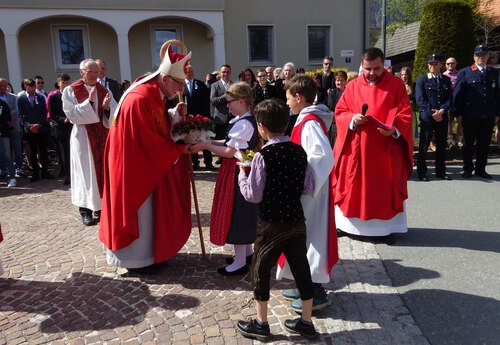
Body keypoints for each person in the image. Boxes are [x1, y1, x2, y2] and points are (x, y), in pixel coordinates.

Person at [99, 42, 192, 274]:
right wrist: (178, 149)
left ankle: (151, 254)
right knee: (140, 213)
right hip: (134, 167)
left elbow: (156, 124)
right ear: (166, 77)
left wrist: (173, 115)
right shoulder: (140, 98)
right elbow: (146, 141)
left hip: (143, 163)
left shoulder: (155, 92)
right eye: (178, 84)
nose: (179, 89)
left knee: (150, 213)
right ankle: (136, 260)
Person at [235, 99, 318, 341]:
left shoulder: (263, 155)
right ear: (286, 122)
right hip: (296, 221)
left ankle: (261, 324)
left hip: (272, 224)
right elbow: (308, 186)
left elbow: (254, 194)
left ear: (261, 127)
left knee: (260, 269)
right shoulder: (298, 150)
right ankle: (306, 321)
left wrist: (243, 175)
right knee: (302, 268)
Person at [333, 47, 413, 243]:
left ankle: (385, 229)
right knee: (353, 187)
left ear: (383, 65)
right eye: (368, 68)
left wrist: (394, 130)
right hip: (357, 150)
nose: (371, 73)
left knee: (383, 190)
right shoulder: (352, 86)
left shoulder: (396, 85)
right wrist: (353, 118)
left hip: (385, 150)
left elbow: (405, 114)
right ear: (362, 65)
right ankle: (347, 226)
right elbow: (340, 111)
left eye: (376, 69)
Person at [277, 74, 337, 313]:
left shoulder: (310, 123)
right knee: (297, 240)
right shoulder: (306, 119)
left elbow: (322, 157)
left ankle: (316, 293)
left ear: (299, 98)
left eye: (288, 98)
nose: (287, 103)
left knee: (308, 240)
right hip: (307, 193)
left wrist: (299, 182)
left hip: (310, 196)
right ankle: (302, 284)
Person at [191, 82, 259, 276]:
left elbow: (229, 152)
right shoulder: (242, 120)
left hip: (237, 172)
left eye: (230, 102)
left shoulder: (245, 123)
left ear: (242, 101)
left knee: (237, 213)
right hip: (237, 170)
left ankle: (240, 261)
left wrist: (205, 147)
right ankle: (246, 255)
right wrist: (209, 142)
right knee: (240, 212)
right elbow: (230, 143)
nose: (227, 106)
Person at [62, 59, 117, 226]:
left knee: (102, 173)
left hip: (102, 135)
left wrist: (107, 109)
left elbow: (114, 114)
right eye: (90, 72)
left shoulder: (104, 90)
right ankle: (85, 210)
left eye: (96, 72)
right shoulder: (70, 91)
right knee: (85, 174)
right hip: (83, 137)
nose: (94, 75)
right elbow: (71, 114)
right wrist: (90, 103)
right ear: (81, 72)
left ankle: (101, 209)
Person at [454, 45, 500, 179]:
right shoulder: (465, 72)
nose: (481, 57)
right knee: (468, 143)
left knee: (484, 143)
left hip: (488, 114)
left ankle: (481, 168)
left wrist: (497, 113)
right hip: (470, 115)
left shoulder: (493, 72)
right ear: (474, 57)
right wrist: (458, 113)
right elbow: (458, 94)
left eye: (484, 55)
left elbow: (498, 95)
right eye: (478, 55)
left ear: (487, 57)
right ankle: (468, 168)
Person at [415, 55, 453, 181]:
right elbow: (420, 99)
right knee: (424, 145)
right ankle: (422, 172)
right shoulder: (422, 79)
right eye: (430, 64)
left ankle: (441, 171)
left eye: (435, 64)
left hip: (441, 117)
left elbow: (449, 99)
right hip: (427, 117)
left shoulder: (446, 80)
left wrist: (442, 110)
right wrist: (433, 113)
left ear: (441, 65)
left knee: (441, 145)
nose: (433, 66)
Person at [18, 78, 54, 182]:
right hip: (30, 131)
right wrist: (29, 126)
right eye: (31, 86)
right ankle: (35, 173)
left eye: (34, 86)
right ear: (26, 86)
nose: (34, 88)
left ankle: (45, 172)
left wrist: (39, 124)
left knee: (43, 150)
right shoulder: (21, 99)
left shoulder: (40, 97)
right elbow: (21, 116)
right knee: (33, 152)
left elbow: (44, 113)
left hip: (41, 128)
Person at [47, 73, 72, 184]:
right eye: (63, 83)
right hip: (61, 128)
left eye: (67, 83)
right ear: (58, 84)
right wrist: (63, 120)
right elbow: (52, 114)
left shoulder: (72, 95)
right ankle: (68, 175)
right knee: (64, 153)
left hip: (73, 126)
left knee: (73, 151)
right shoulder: (53, 97)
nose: (66, 85)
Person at [0, 78, 23, 178]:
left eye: (5, 85)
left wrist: (7, 118)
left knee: (17, 148)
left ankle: (19, 168)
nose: (3, 87)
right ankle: (4, 169)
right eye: (1, 85)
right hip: (2, 128)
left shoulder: (14, 97)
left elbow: (16, 110)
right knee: (4, 150)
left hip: (14, 126)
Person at [210, 64, 233, 141]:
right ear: (220, 73)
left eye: (228, 72)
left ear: (230, 73)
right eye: (223, 72)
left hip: (233, 117)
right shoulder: (215, 85)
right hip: (220, 119)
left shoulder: (234, 85)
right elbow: (213, 100)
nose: (226, 74)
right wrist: (226, 96)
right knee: (220, 142)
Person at [443, 57, 462, 148]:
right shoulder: (443, 75)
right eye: (448, 63)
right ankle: (450, 140)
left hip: (458, 101)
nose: (450, 65)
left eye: (452, 63)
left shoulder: (460, 75)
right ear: (445, 65)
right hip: (448, 102)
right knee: (448, 122)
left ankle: (459, 140)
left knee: (460, 121)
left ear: (456, 63)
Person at [327, 70, 348, 145]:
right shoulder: (332, 93)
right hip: (335, 122)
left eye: (342, 80)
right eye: (337, 80)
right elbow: (331, 107)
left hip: (348, 121)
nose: (340, 82)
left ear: (346, 81)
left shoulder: (349, 92)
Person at [0, 97, 16, 187]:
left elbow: (8, 117)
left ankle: (12, 178)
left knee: (7, 155)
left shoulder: (2, 103)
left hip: (3, 133)